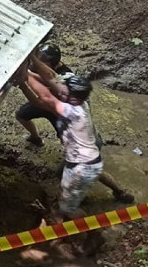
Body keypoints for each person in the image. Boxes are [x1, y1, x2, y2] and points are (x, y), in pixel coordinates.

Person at [15, 44, 135, 204]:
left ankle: (78, 202)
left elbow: (41, 100)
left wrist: (24, 83)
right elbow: (52, 79)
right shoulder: (80, 103)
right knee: (96, 169)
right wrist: (32, 63)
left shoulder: (68, 111)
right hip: (92, 141)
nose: (61, 89)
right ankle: (121, 192)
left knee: (65, 175)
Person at [16, 62, 102, 221]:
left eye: (65, 94)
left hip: (82, 166)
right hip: (87, 159)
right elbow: (52, 82)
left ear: (73, 98)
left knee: (67, 208)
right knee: (65, 189)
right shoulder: (80, 102)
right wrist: (28, 69)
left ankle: (89, 232)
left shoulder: (73, 112)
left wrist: (24, 78)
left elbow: (45, 98)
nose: (61, 94)